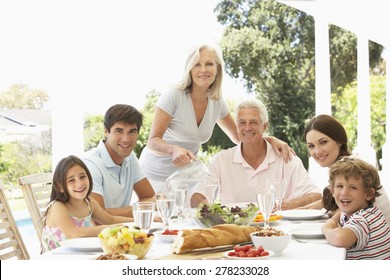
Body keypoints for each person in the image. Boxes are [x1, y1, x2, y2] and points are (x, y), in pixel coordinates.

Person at [139, 42, 294, 193]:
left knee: (191, 218)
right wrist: (172, 149)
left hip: (186, 178)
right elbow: (153, 141)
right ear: (189, 69)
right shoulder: (173, 96)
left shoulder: (216, 101)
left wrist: (272, 140)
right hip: (154, 177)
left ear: (217, 68)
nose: (203, 69)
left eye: (209, 64)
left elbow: (240, 137)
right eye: (197, 64)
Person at [191, 98, 322, 208]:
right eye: (242, 123)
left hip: (277, 231)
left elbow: (316, 196)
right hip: (235, 231)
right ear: (237, 126)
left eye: (253, 122)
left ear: (264, 126)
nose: (247, 128)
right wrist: (211, 213)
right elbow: (197, 196)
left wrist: (288, 205)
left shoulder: (286, 158)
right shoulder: (221, 160)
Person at [303, 114, 390, 223]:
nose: (317, 152)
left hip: (376, 238)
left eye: (323, 142)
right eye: (311, 146)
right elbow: (322, 204)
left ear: (339, 141)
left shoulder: (353, 170)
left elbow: (341, 216)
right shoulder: (344, 167)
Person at [41, 155, 134, 252]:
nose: (80, 183)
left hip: (82, 256)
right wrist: (110, 228)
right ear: (60, 187)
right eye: (71, 180)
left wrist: (138, 222)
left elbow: (110, 219)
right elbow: (73, 234)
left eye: (82, 177)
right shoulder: (57, 207)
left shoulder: (89, 203)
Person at [82, 104, 155, 218]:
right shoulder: (90, 164)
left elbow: (149, 197)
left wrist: (112, 212)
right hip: (92, 234)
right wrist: (140, 208)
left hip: (120, 230)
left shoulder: (130, 157)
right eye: (119, 131)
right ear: (106, 131)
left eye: (132, 131)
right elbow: (98, 217)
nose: (126, 139)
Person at [321, 156, 390, 260]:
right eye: (339, 186)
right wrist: (333, 220)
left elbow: (340, 239)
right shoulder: (360, 212)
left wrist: (326, 228)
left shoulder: (364, 219)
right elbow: (340, 216)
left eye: (353, 187)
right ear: (333, 191)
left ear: (369, 194)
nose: (344, 192)